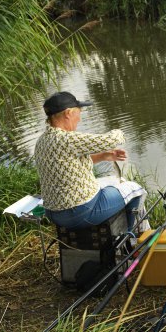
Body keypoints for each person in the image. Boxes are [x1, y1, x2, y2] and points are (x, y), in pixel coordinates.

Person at [33, 91, 147, 232]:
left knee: (116, 180)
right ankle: (133, 238)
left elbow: (69, 165)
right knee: (136, 189)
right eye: (78, 112)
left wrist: (105, 156)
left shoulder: (42, 141)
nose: (79, 118)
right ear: (68, 113)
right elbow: (112, 140)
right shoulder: (67, 139)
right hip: (79, 213)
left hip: (53, 213)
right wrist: (120, 131)